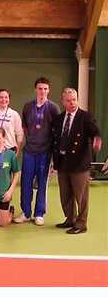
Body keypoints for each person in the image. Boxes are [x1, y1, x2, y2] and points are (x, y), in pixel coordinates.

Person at [51, 88, 102, 234]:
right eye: (68, 100)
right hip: (62, 162)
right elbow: (55, 140)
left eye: (74, 99)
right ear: (63, 102)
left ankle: (81, 224)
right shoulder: (59, 119)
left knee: (81, 196)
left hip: (79, 164)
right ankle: (70, 219)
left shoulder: (85, 117)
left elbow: (95, 131)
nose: (72, 103)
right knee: (65, 195)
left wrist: (97, 139)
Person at [14, 77, 60, 226]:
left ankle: (39, 213)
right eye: (40, 88)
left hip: (45, 153)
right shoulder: (27, 107)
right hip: (29, 152)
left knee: (42, 183)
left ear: (49, 90)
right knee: (25, 182)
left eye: (45, 89)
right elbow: (25, 127)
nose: (43, 91)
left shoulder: (53, 108)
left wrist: (53, 155)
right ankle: (26, 213)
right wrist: (32, 139)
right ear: (35, 89)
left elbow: (57, 131)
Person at [0, 89, 24, 155]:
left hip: (9, 149)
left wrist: (17, 150)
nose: (3, 99)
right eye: (1, 97)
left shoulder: (14, 114)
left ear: (9, 99)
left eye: (6, 97)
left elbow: (20, 133)